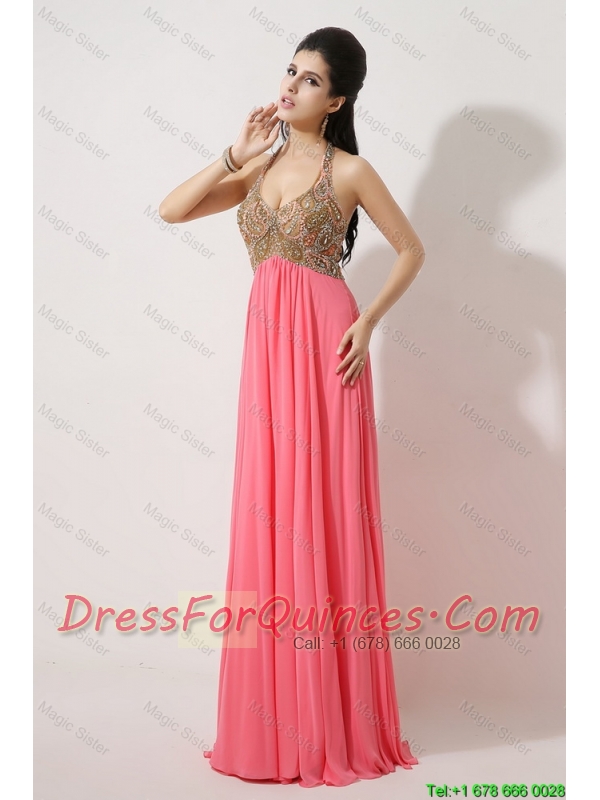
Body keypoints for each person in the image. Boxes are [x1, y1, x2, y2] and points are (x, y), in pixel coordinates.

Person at [159, 25, 425, 790]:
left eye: (310, 80)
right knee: (273, 510)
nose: (291, 86)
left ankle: (332, 721)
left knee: (324, 512)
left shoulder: (352, 171)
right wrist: (234, 153)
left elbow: (412, 249)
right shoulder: (258, 167)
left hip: (327, 346)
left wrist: (367, 323)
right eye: (290, 71)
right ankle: (274, 720)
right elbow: (172, 211)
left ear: (336, 100)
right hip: (269, 356)